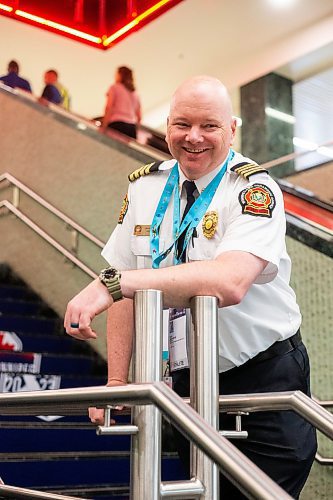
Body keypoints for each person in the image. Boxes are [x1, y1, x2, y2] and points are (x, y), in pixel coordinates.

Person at [65, 76, 317, 498]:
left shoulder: (252, 190)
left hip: (263, 381)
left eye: (209, 126)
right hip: (188, 385)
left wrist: (115, 284)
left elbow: (228, 282)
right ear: (166, 126)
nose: (193, 137)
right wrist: (115, 380)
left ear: (232, 129)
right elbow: (126, 286)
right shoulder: (145, 188)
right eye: (182, 124)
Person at [102, 66, 141, 139]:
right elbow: (139, 116)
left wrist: (104, 126)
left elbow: (109, 107)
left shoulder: (114, 87)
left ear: (120, 75)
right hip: (131, 127)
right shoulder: (134, 93)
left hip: (117, 124)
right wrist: (136, 129)